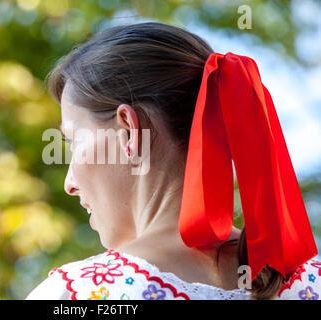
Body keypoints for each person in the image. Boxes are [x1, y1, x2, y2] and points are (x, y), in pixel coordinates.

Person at [26, 22, 320, 300]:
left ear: (128, 131)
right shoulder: (310, 282)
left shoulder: (81, 293)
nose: (70, 184)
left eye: (75, 143)